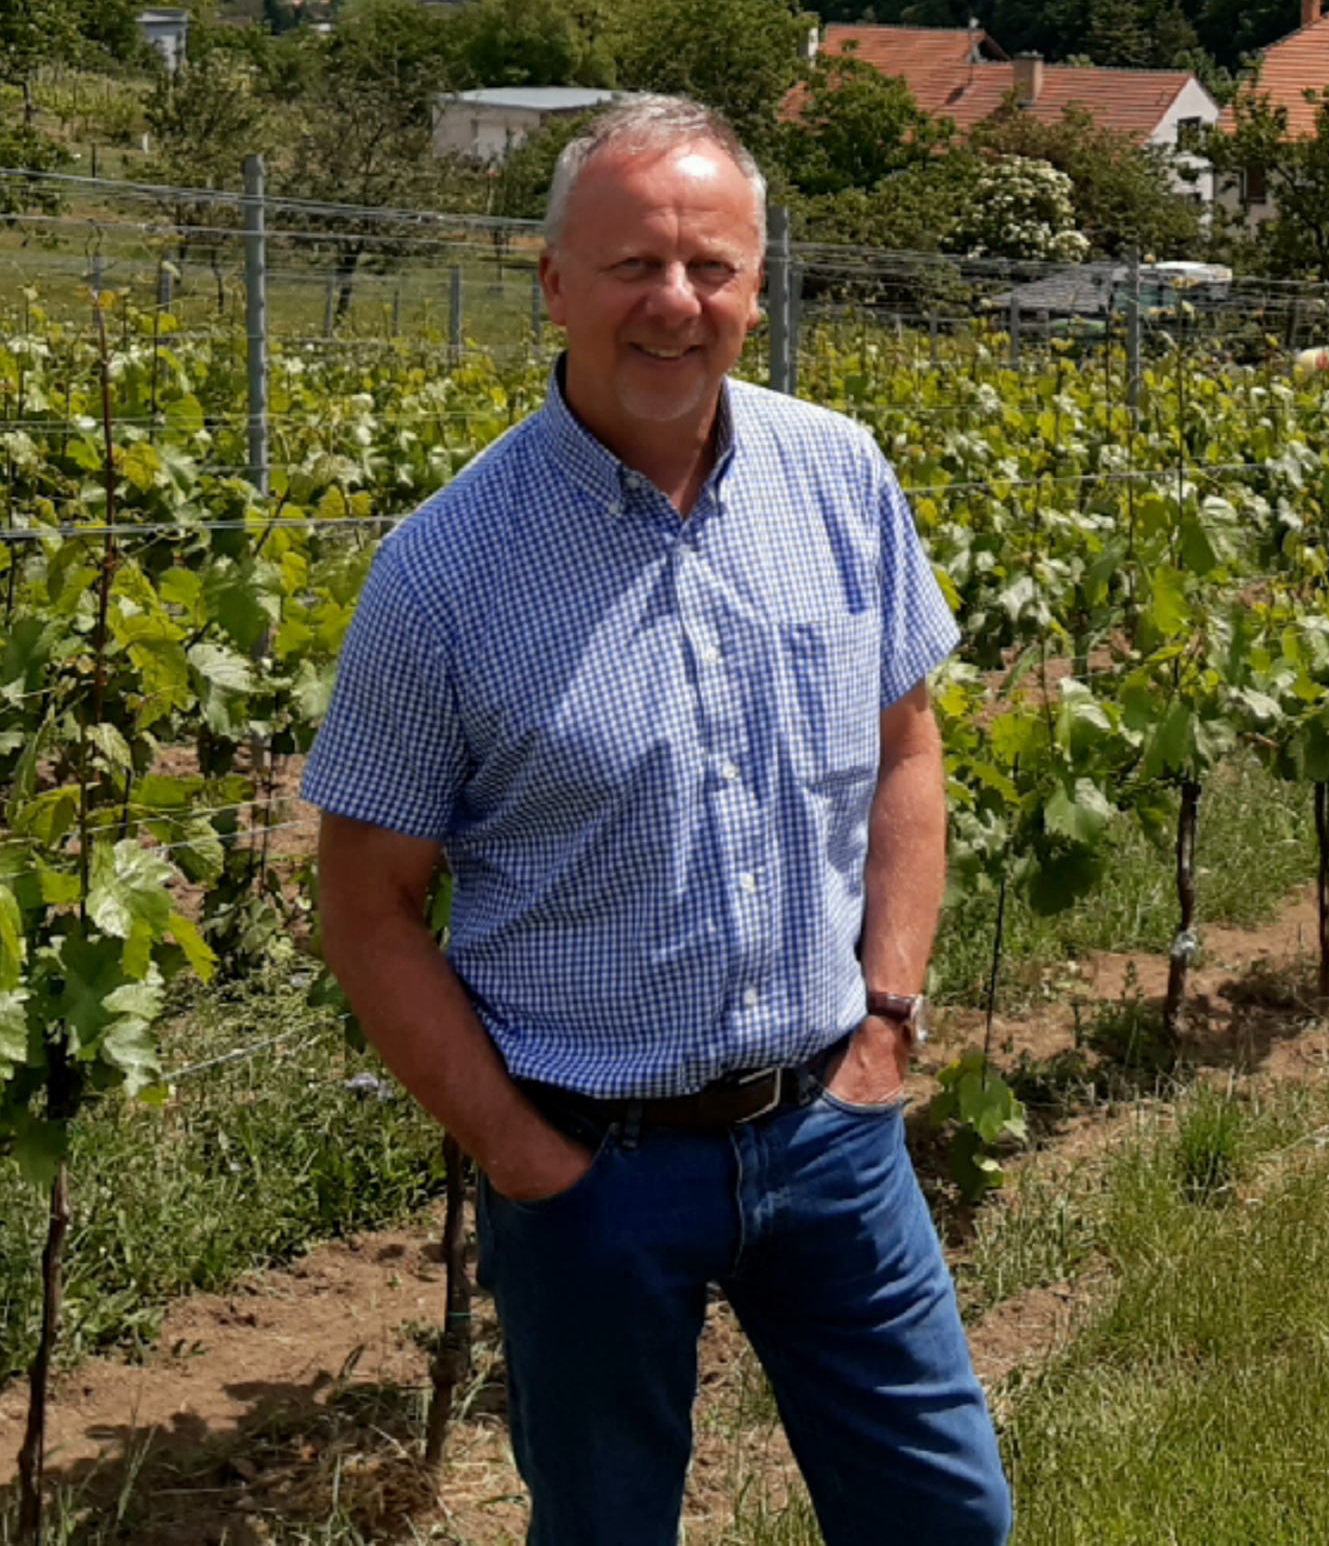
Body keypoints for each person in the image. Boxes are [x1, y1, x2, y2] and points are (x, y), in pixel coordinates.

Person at [308, 97, 1012, 1546]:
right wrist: (514, 1148)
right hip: (590, 1169)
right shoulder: (443, 573)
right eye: (633, 266)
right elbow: (367, 903)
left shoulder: (841, 477)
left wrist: (888, 1012)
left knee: (949, 1522)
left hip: (831, 1130)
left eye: (714, 267)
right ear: (554, 283)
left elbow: (906, 749)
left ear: (758, 285)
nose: (676, 303)